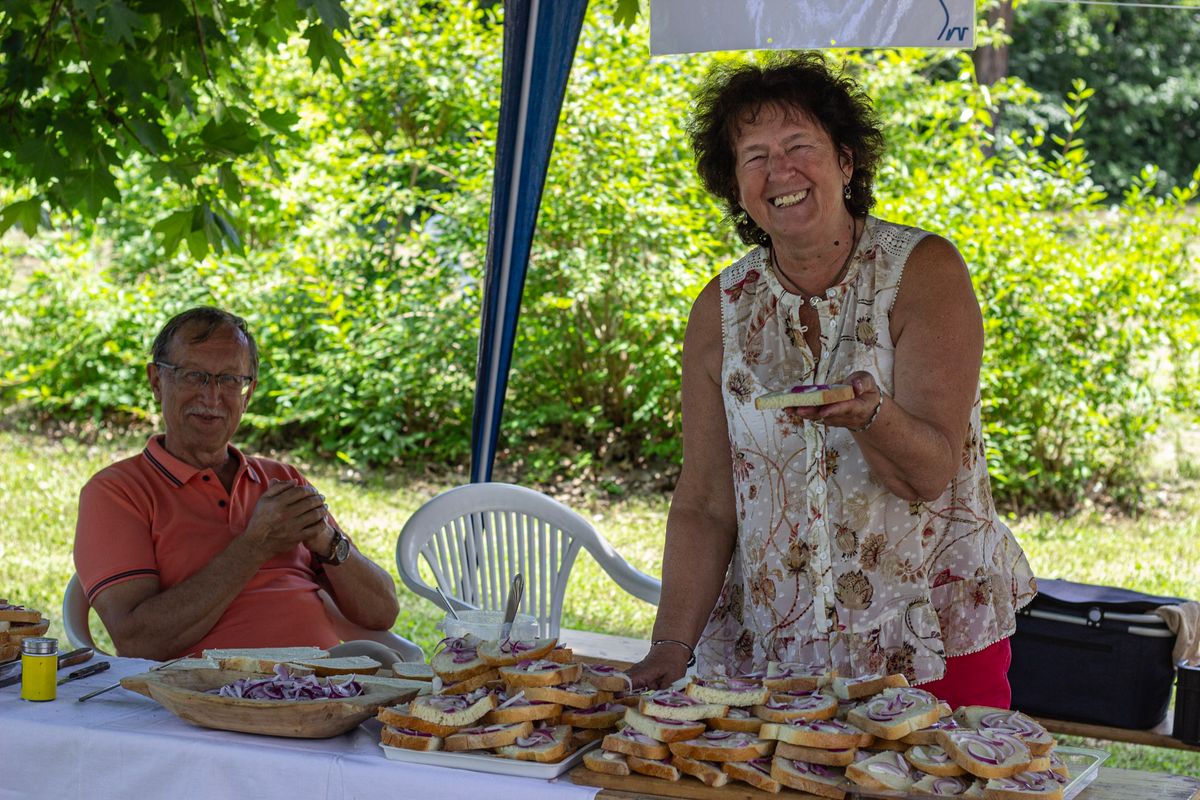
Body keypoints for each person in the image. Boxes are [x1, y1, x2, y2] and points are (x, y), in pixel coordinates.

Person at [628, 54, 1036, 709]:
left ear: (846, 162)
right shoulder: (722, 308)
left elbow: (929, 470)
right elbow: (705, 502)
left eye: (798, 146)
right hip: (775, 654)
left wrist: (873, 416)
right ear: (735, 186)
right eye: (754, 156)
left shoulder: (922, 273)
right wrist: (669, 648)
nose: (779, 171)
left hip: (927, 637)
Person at [74, 307, 406, 662]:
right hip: (206, 702)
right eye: (193, 376)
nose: (212, 396)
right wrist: (255, 545)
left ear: (247, 395)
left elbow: (382, 613)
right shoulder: (117, 491)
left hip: (323, 694)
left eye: (230, 380)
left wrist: (327, 541)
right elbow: (138, 641)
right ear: (156, 381)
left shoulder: (282, 480)